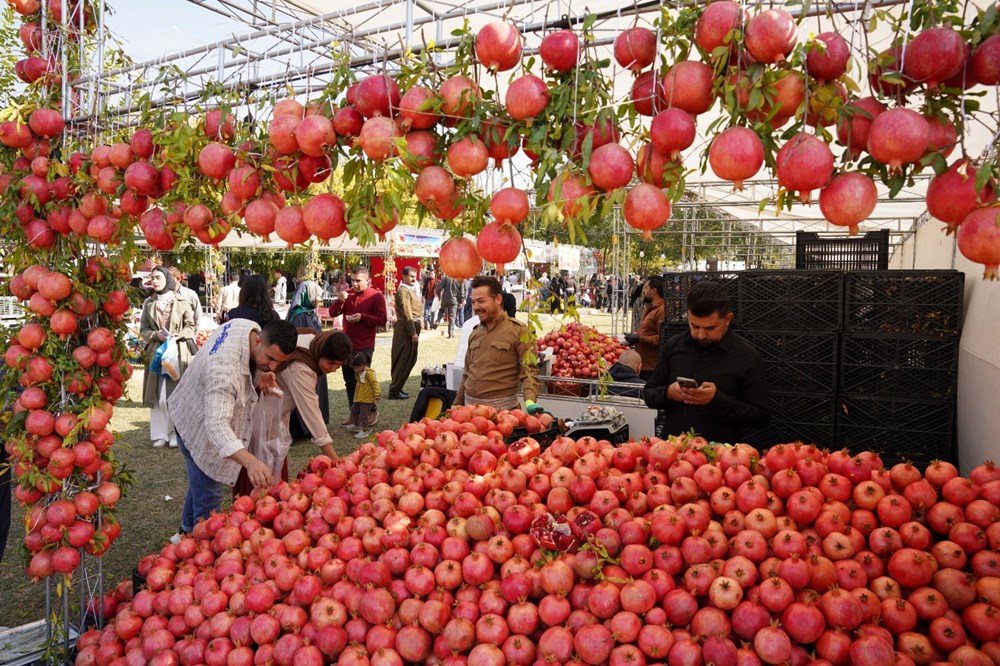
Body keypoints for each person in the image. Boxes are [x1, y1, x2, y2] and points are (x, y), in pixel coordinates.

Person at [168, 319, 298, 536]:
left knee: (199, 482)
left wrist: (259, 375)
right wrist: (251, 462)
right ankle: (202, 547)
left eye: (279, 363)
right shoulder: (225, 372)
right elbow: (217, 426)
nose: (274, 366)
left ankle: (186, 532)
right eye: (270, 359)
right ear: (257, 341)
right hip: (196, 424)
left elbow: (247, 365)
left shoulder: (245, 325)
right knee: (209, 495)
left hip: (192, 408)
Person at [644, 281, 770, 443]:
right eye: (694, 326)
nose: (701, 335)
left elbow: (761, 417)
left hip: (720, 460)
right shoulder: (674, 346)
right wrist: (668, 392)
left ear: (727, 319)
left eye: (710, 328)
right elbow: (649, 394)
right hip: (673, 455)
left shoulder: (747, 356)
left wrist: (717, 400)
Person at [232, 329, 353, 497]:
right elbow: (312, 415)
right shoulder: (301, 369)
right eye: (331, 363)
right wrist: (336, 462)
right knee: (260, 484)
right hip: (261, 423)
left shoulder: (313, 339)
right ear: (321, 354)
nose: (333, 370)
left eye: (339, 365)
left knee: (271, 478)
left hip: (273, 418)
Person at [455, 275, 540, 412]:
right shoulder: (475, 332)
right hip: (469, 413)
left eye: (481, 301)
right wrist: (457, 403)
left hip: (503, 414)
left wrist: (529, 401)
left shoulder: (519, 330)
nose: (476, 307)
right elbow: (467, 373)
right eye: (474, 302)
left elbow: (529, 371)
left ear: (498, 299)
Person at [140, 267, 197, 449]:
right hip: (157, 352)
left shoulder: (181, 300)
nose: (154, 281)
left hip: (177, 352)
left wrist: (178, 336)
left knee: (174, 393)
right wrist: (157, 335)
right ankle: (160, 434)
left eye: (158, 277)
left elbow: (191, 325)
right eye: (152, 278)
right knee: (158, 394)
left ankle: (175, 432)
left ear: (167, 278)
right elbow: (143, 330)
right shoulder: (149, 303)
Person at [328, 266, 387, 426]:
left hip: (365, 346)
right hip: (347, 346)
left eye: (358, 281)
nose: (354, 284)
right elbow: (332, 313)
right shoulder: (347, 294)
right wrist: (339, 300)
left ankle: (370, 412)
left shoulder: (376, 296)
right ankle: (354, 414)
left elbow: (382, 320)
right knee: (349, 381)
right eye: (352, 280)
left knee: (364, 381)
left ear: (367, 280)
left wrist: (363, 317)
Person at [624, 276, 666, 380]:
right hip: (644, 365)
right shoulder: (650, 309)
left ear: (654, 291)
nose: (643, 292)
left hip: (652, 368)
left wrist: (639, 339)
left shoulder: (661, 311)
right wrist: (633, 337)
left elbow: (663, 338)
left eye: (646, 288)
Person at [389, 267, 422, 400]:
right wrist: (412, 332)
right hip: (407, 327)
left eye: (415, 276)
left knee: (409, 358)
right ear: (403, 276)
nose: (414, 279)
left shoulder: (409, 290)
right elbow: (407, 313)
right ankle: (395, 390)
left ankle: (398, 387)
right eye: (411, 276)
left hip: (410, 326)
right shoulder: (403, 291)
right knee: (403, 359)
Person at [348, 352, 381, 439]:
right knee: (354, 410)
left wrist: (377, 393)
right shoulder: (359, 373)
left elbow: (375, 383)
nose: (354, 370)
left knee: (363, 415)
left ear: (361, 365)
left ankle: (365, 430)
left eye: (355, 368)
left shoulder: (369, 373)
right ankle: (357, 425)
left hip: (366, 400)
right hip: (359, 398)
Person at [436, 274, 463, 338]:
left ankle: (438, 321)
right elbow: (461, 291)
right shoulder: (459, 279)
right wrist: (460, 301)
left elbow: (439, 287)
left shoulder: (446, 278)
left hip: (445, 298)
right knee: (452, 317)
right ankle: (450, 334)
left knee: (442, 310)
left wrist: (438, 293)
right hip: (454, 300)